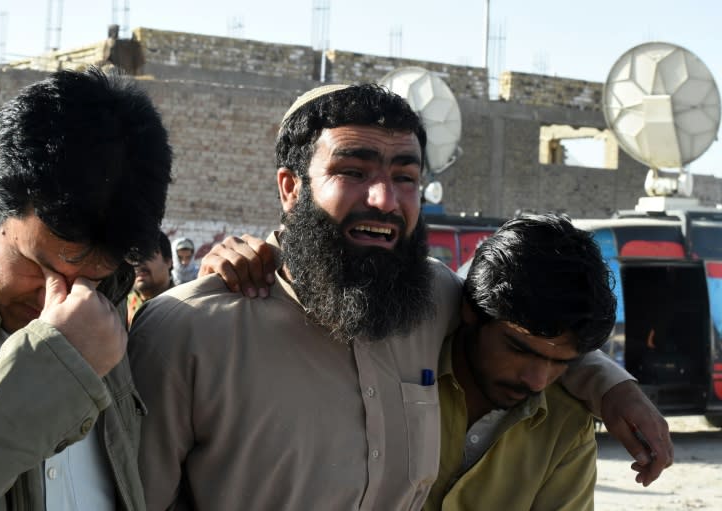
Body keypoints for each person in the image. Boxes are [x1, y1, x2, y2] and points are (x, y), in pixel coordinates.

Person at [129, 83, 669, 511]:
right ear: (290, 188)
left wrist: (616, 389)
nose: (385, 199)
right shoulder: (187, 331)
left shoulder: (430, 298)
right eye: (353, 171)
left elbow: (529, 330)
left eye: (405, 176)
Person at [0, 67, 173, 510]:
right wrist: (53, 366)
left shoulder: (105, 307)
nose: (62, 302)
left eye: (91, 278)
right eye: (41, 267)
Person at [424, 213, 616, 511]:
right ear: (470, 310)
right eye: (520, 350)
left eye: (561, 363)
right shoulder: (403, 370)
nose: (538, 380)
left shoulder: (567, 426)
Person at [125, 231, 174, 327]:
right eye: (133, 257)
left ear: (168, 262)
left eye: (147, 255)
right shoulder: (123, 305)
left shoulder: (183, 305)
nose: (138, 263)